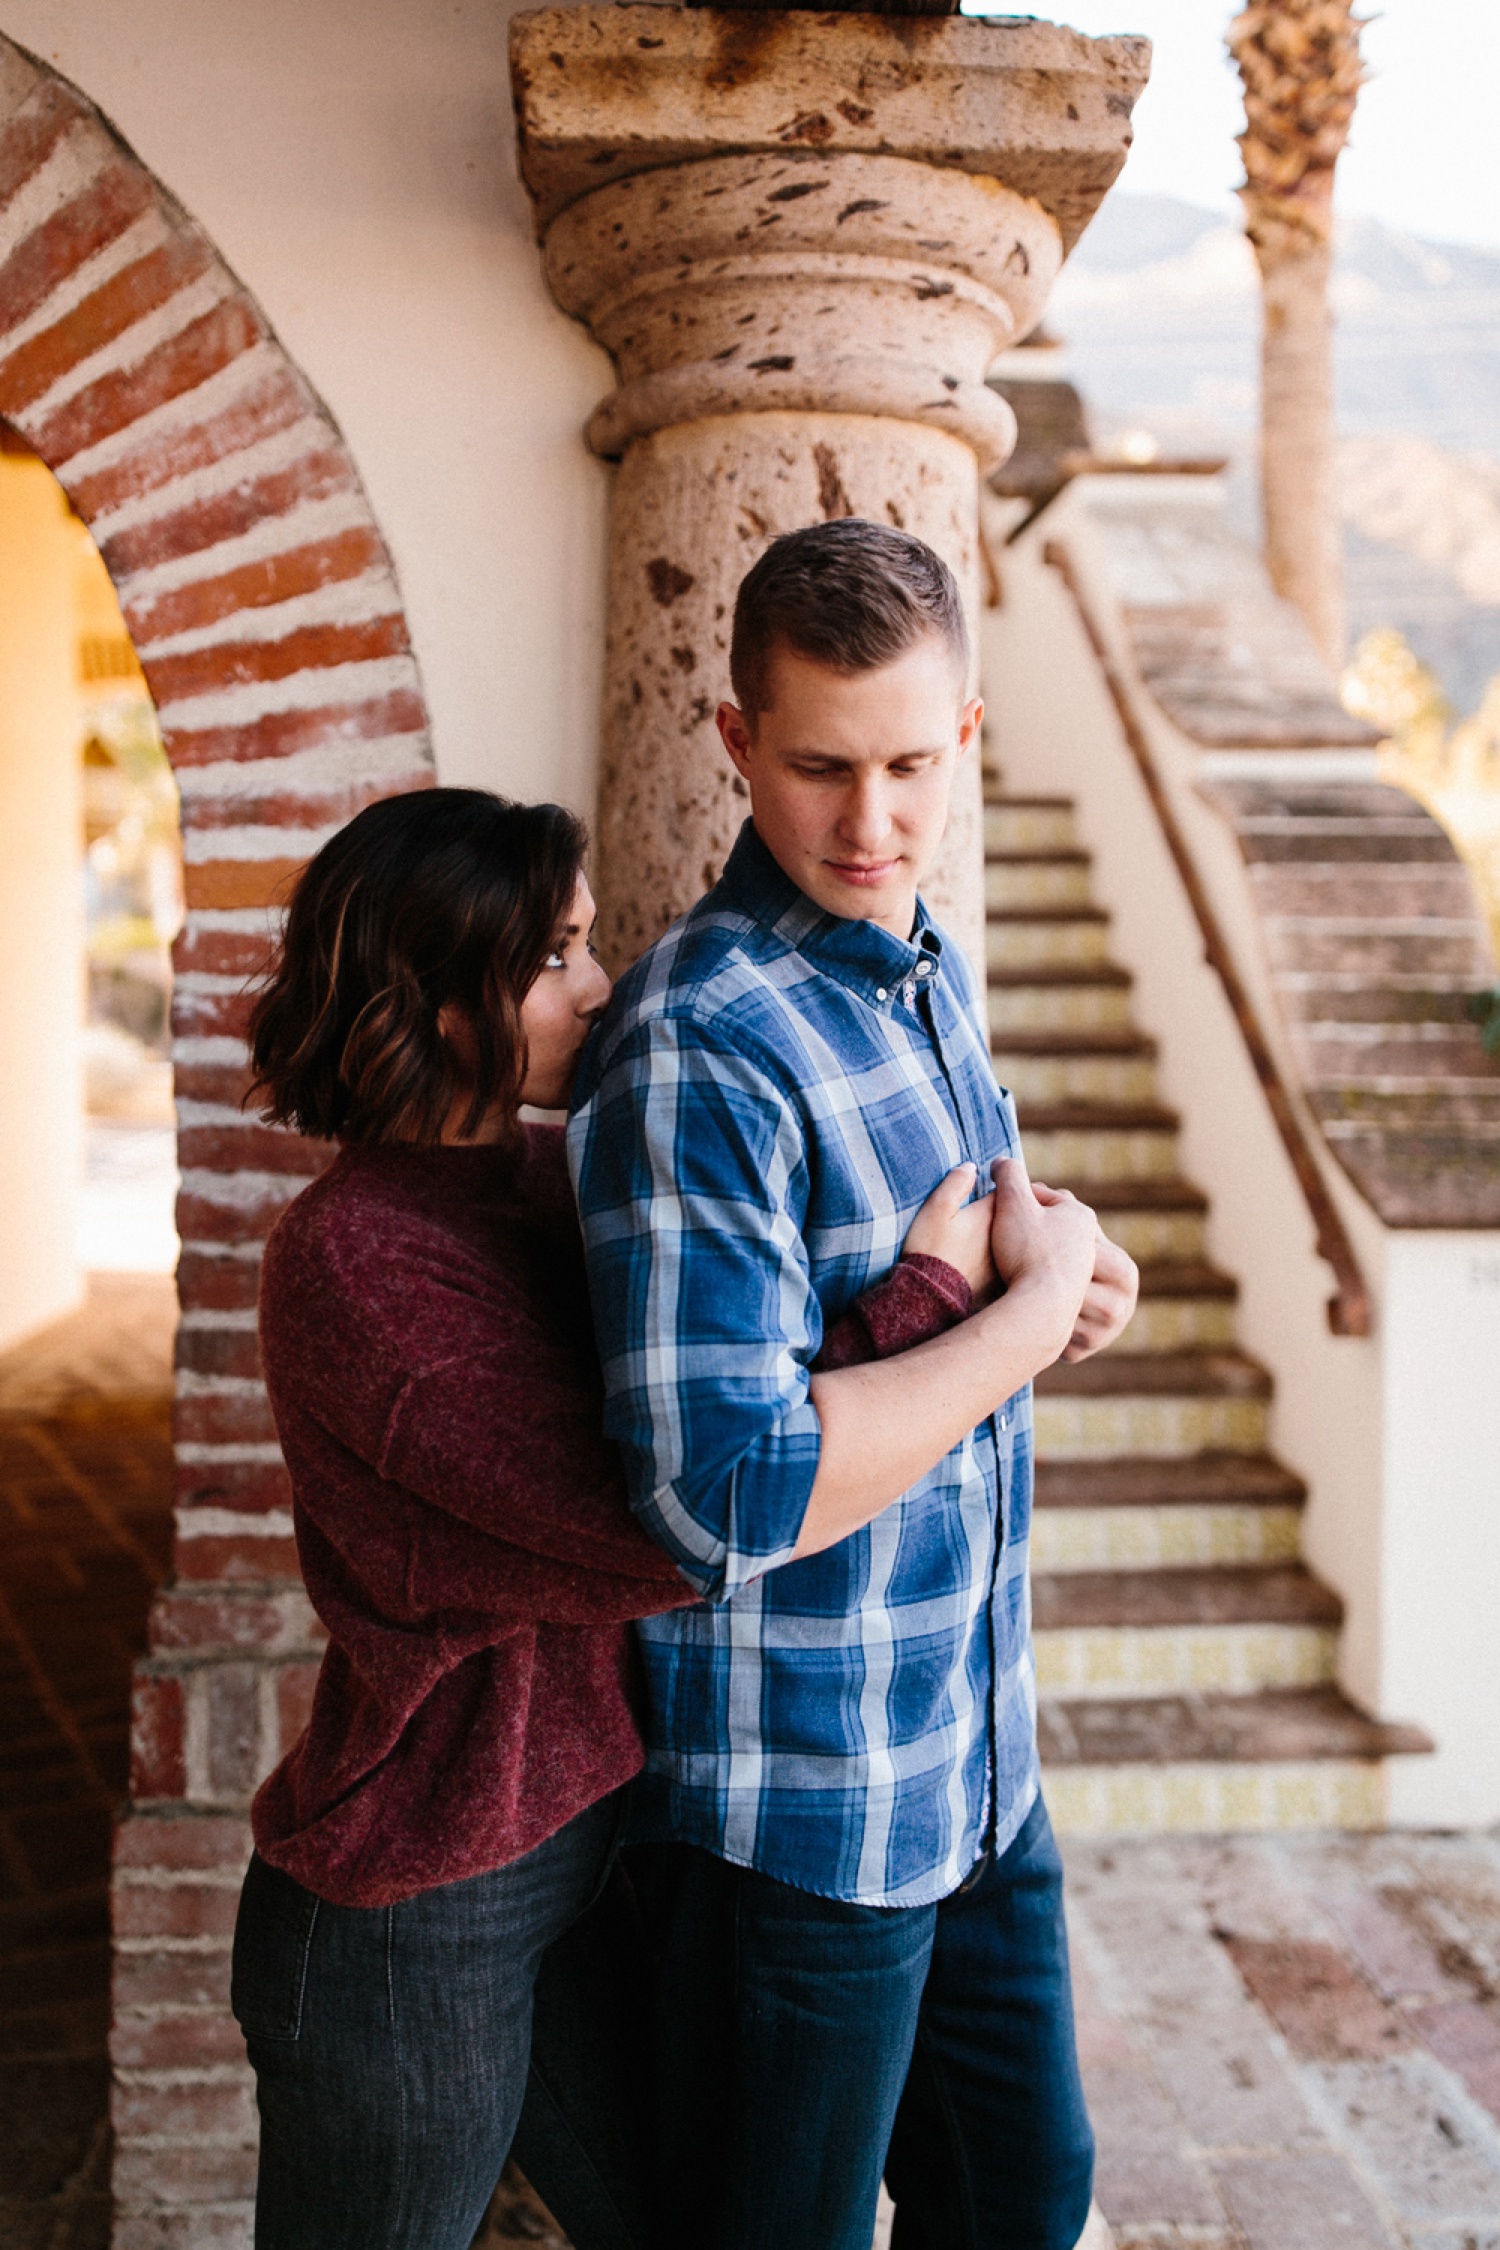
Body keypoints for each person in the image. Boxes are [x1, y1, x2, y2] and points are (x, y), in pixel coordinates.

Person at [228, 785, 995, 2250]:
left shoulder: (539, 1174)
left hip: (587, 1850)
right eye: (559, 956)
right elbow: (667, 1523)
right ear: (445, 1000)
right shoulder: (353, 1260)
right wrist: (932, 1305)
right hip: (417, 1894)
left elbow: (733, 1375)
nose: (610, 986)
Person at [568, 519, 1140, 2250]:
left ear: (967, 733)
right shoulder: (696, 1048)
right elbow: (722, 1495)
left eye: (909, 763)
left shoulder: (921, 967)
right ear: (735, 743)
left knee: (1024, 2196)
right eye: (819, 767)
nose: (871, 821)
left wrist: (1055, 1270)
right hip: (797, 1823)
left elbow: (959, 1278)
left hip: (970, 1762)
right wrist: (1012, 1330)